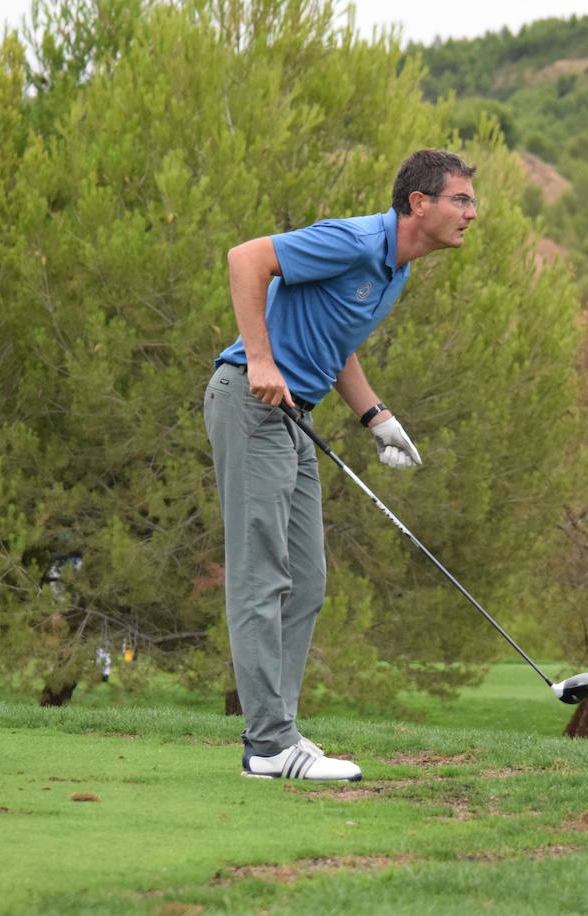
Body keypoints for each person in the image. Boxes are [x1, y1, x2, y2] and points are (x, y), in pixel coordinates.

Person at [203, 149, 479, 781]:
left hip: (294, 418)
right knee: (261, 577)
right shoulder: (354, 241)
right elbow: (246, 259)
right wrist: (262, 360)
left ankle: (278, 736)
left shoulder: (394, 271)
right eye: (460, 200)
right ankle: (270, 744)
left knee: (306, 580)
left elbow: (336, 346)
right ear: (419, 204)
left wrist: (377, 418)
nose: (471, 213)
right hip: (250, 402)